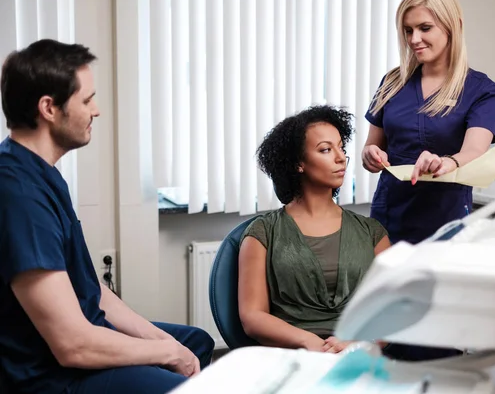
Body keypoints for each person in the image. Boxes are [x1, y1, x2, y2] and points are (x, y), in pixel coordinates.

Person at [0, 39, 214, 394]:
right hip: (51, 376)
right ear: (48, 108)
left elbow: (92, 291)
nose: (96, 110)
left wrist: (167, 345)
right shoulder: (18, 194)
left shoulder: (41, 173)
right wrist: (163, 352)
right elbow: (72, 344)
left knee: (196, 343)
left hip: (81, 339)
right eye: (86, 100)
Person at [360, 0, 495, 360]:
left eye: (425, 28)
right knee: (388, 325)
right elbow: (372, 148)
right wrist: (371, 156)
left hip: (445, 222)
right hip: (390, 219)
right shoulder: (392, 82)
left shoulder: (481, 90)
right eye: (408, 30)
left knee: (437, 329)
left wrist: (446, 162)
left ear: (451, 27)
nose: (414, 39)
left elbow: (475, 150)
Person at [238, 105, 391, 354]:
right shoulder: (262, 234)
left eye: (341, 147)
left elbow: (392, 310)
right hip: (292, 356)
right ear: (299, 163)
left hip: (358, 356)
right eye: (326, 150)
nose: (341, 157)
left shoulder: (372, 233)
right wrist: (309, 342)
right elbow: (252, 317)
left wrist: (359, 344)